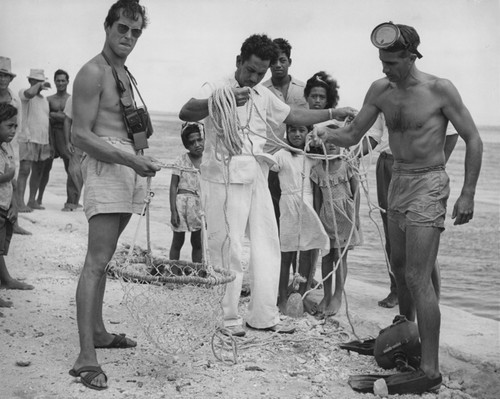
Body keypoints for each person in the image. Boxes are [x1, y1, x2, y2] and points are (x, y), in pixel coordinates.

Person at [315, 22, 483, 395]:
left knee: (419, 277)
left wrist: (467, 193)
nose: (385, 69)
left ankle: (430, 369)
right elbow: (352, 135)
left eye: (392, 62)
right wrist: (327, 132)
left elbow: (473, 139)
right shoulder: (380, 90)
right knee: (401, 267)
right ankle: (407, 336)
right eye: (382, 61)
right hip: (398, 180)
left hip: (429, 181)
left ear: (411, 56)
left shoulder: (440, 90)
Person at [179, 33, 356, 337]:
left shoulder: (263, 95)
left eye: (261, 73)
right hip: (222, 175)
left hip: (256, 173)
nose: (255, 77)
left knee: (267, 244)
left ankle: (263, 315)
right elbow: (186, 112)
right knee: (228, 248)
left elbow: (294, 114)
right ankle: (228, 318)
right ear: (239, 62)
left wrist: (332, 113)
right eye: (250, 70)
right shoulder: (216, 86)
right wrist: (221, 100)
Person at [69, 0, 160, 391]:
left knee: (105, 260)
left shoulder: (122, 71)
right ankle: (85, 356)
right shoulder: (92, 72)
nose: (128, 37)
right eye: (122, 28)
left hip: (127, 161)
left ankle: (101, 333)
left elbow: (124, 123)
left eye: (136, 32)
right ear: (107, 27)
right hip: (109, 163)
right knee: (95, 261)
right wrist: (127, 158)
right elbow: (80, 135)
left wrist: (139, 153)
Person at [368, 113, 458, 308]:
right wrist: (343, 151)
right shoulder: (384, 94)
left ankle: (432, 296)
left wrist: (438, 165)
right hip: (387, 162)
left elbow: (451, 134)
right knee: (392, 234)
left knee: (424, 235)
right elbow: (374, 136)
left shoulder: (428, 92)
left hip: (419, 169)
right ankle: (397, 291)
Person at [271, 124, 328, 314]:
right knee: (286, 251)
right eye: (293, 130)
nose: (297, 134)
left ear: (308, 133)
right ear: (287, 132)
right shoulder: (280, 155)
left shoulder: (310, 156)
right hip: (287, 204)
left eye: (301, 131)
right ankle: (280, 297)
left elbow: (328, 157)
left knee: (307, 248)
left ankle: (301, 295)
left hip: (307, 203)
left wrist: (317, 142)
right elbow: (270, 177)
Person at [310, 132, 362, 317]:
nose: (331, 145)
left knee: (341, 257)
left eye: (335, 141)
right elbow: (317, 198)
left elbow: (356, 193)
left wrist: (355, 217)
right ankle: (326, 294)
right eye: (328, 141)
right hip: (326, 217)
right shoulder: (317, 170)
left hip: (345, 216)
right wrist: (317, 222)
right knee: (326, 257)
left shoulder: (347, 166)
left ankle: (338, 295)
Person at [263, 38, 308, 226]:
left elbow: (313, 123)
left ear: (290, 61)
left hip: (298, 162)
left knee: (302, 216)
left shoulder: (304, 89)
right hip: (270, 162)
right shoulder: (260, 91)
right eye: (273, 61)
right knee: (272, 216)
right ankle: (276, 256)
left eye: (282, 60)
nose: (277, 65)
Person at [0, 103, 34, 314]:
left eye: (16, 126)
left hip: (4, 206)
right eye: (9, 126)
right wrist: (8, 175)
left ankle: (5, 279)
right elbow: (7, 178)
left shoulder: (6, 148)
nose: (14, 131)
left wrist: (13, 205)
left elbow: (10, 184)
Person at [0, 56, 31, 235]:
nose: (2, 80)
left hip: (10, 143)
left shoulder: (14, 100)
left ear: (11, 79)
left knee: (13, 180)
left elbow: (18, 124)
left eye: (6, 76)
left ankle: (14, 222)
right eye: (0, 75)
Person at [17, 68, 51, 212]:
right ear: (30, 81)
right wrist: (39, 84)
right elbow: (30, 93)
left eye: (40, 81)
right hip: (28, 137)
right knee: (24, 170)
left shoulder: (44, 101)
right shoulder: (24, 93)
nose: (39, 84)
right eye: (35, 81)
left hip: (42, 140)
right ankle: (19, 203)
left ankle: (32, 201)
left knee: (38, 171)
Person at [169, 122, 204, 263]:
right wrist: (173, 211)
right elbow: (173, 186)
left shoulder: (208, 161)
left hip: (199, 207)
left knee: (197, 243)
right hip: (181, 206)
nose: (197, 144)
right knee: (178, 241)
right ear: (186, 145)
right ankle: (173, 272)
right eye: (192, 142)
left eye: (199, 140)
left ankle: (198, 273)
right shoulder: (181, 160)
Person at [46, 69, 75, 211]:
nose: (61, 83)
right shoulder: (49, 99)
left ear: (68, 81)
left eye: (63, 80)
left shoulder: (71, 99)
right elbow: (45, 118)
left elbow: (72, 119)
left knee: (71, 168)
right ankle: (36, 200)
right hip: (51, 134)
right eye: (58, 80)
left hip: (66, 136)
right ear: (54, 81)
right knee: (44, 168)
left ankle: (72, 201)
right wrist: (59, 116)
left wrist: (55, 115)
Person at [61, 97, 84, 211]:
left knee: (93, 173)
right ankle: (71, 202)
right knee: (74, 172)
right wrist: (67, 142)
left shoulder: (99, 95)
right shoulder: (73, 97)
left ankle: (81, 201)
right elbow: (67, 120)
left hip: (95, 140)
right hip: (77, 141)